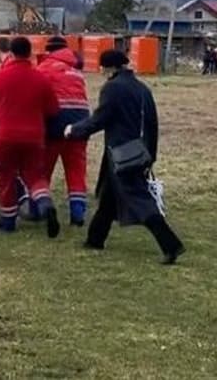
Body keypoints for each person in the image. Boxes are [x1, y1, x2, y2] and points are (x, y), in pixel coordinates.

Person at [66, 50, 185, 265]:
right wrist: (150, 155)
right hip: (139, 152)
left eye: (103, 68)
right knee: (108, 198)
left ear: (109, 68)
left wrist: (74, 130)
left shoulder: (113, 89)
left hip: (122, 155)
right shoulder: (142, 88)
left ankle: (171, 245)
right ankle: (95, 239)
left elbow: (100, 119)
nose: (102, 71)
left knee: (141, 201)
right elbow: (152, 124)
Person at [0, 37, 61, 236]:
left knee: (6, 176)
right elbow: (53, 108)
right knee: (35, 175)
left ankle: (7, 222)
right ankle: (44, 203)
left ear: (11, 52)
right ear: (30, 53)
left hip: (6, 136)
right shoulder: (40, 77)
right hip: (34, 137)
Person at [37, 36, 91, 226]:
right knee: (76, 170)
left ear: (49, 51)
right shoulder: (76, 70)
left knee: (43, 169)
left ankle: (40, 207)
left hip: (54, 124)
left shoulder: (44, 68)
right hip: (80, 124)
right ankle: (78, 213)